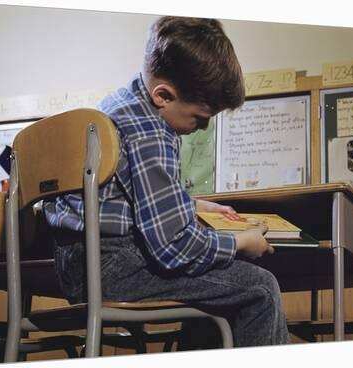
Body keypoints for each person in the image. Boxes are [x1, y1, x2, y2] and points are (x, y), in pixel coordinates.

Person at [44, 16, 288, 348]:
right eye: (200, 118)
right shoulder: (151, 131)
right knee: (260, 289)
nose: (201, 129)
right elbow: (175, 247)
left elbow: (127, 197)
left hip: (77, 266)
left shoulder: (119, 105)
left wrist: (196, 205)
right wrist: (241, 243)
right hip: (113, 270)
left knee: (219, 288)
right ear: (163, 96)